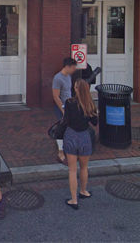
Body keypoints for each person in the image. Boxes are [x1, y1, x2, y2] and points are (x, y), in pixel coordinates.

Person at [63, 79, 97, 210]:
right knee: (84, 168)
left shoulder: (69, 103)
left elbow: (66, 120)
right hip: (84, 137)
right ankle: (83, 191)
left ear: (77, 89)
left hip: (71, 135)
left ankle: (74, 199)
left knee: (72, 170)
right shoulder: (90, 104)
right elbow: (95, 122)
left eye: (75, 87)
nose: (74, 88)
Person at [52, 57, 77, 164]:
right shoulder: (58, 78)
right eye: (73, 68)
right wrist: (62, 109)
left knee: (68, 128)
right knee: (61, 128)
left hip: (69, 106)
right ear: (67, 66)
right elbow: (55, 96)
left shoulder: (69, 76)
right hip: (62, 107)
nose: (74, 70)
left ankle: (67, 149)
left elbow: (68, 92)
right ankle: (60, 153)